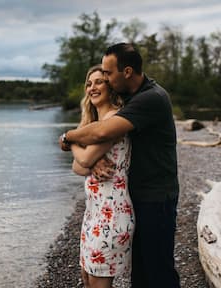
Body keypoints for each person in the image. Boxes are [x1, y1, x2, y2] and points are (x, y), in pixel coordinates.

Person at [59, 43, 181, 288]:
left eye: (107, 74)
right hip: (132, 196)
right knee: (142, 275)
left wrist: (67, 137)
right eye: (98, 76)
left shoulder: (150, 98)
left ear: (127, 72)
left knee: (158, 271)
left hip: (156, 197)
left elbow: (103, 132)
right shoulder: (130, 95)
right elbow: (83, 163)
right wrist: (92, 161)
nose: (104, 79)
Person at [69, 64, 134, 288]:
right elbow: (76, 168)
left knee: (97, 283)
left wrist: (69, 141)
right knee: (87, 280)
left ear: (110, 87)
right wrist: (91, 159)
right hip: (93, 213)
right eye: (89, 84)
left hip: (112, 213)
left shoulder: (114, 121)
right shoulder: (93, 125)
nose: (92, 88)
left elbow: (83, 161)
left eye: (98, 82)